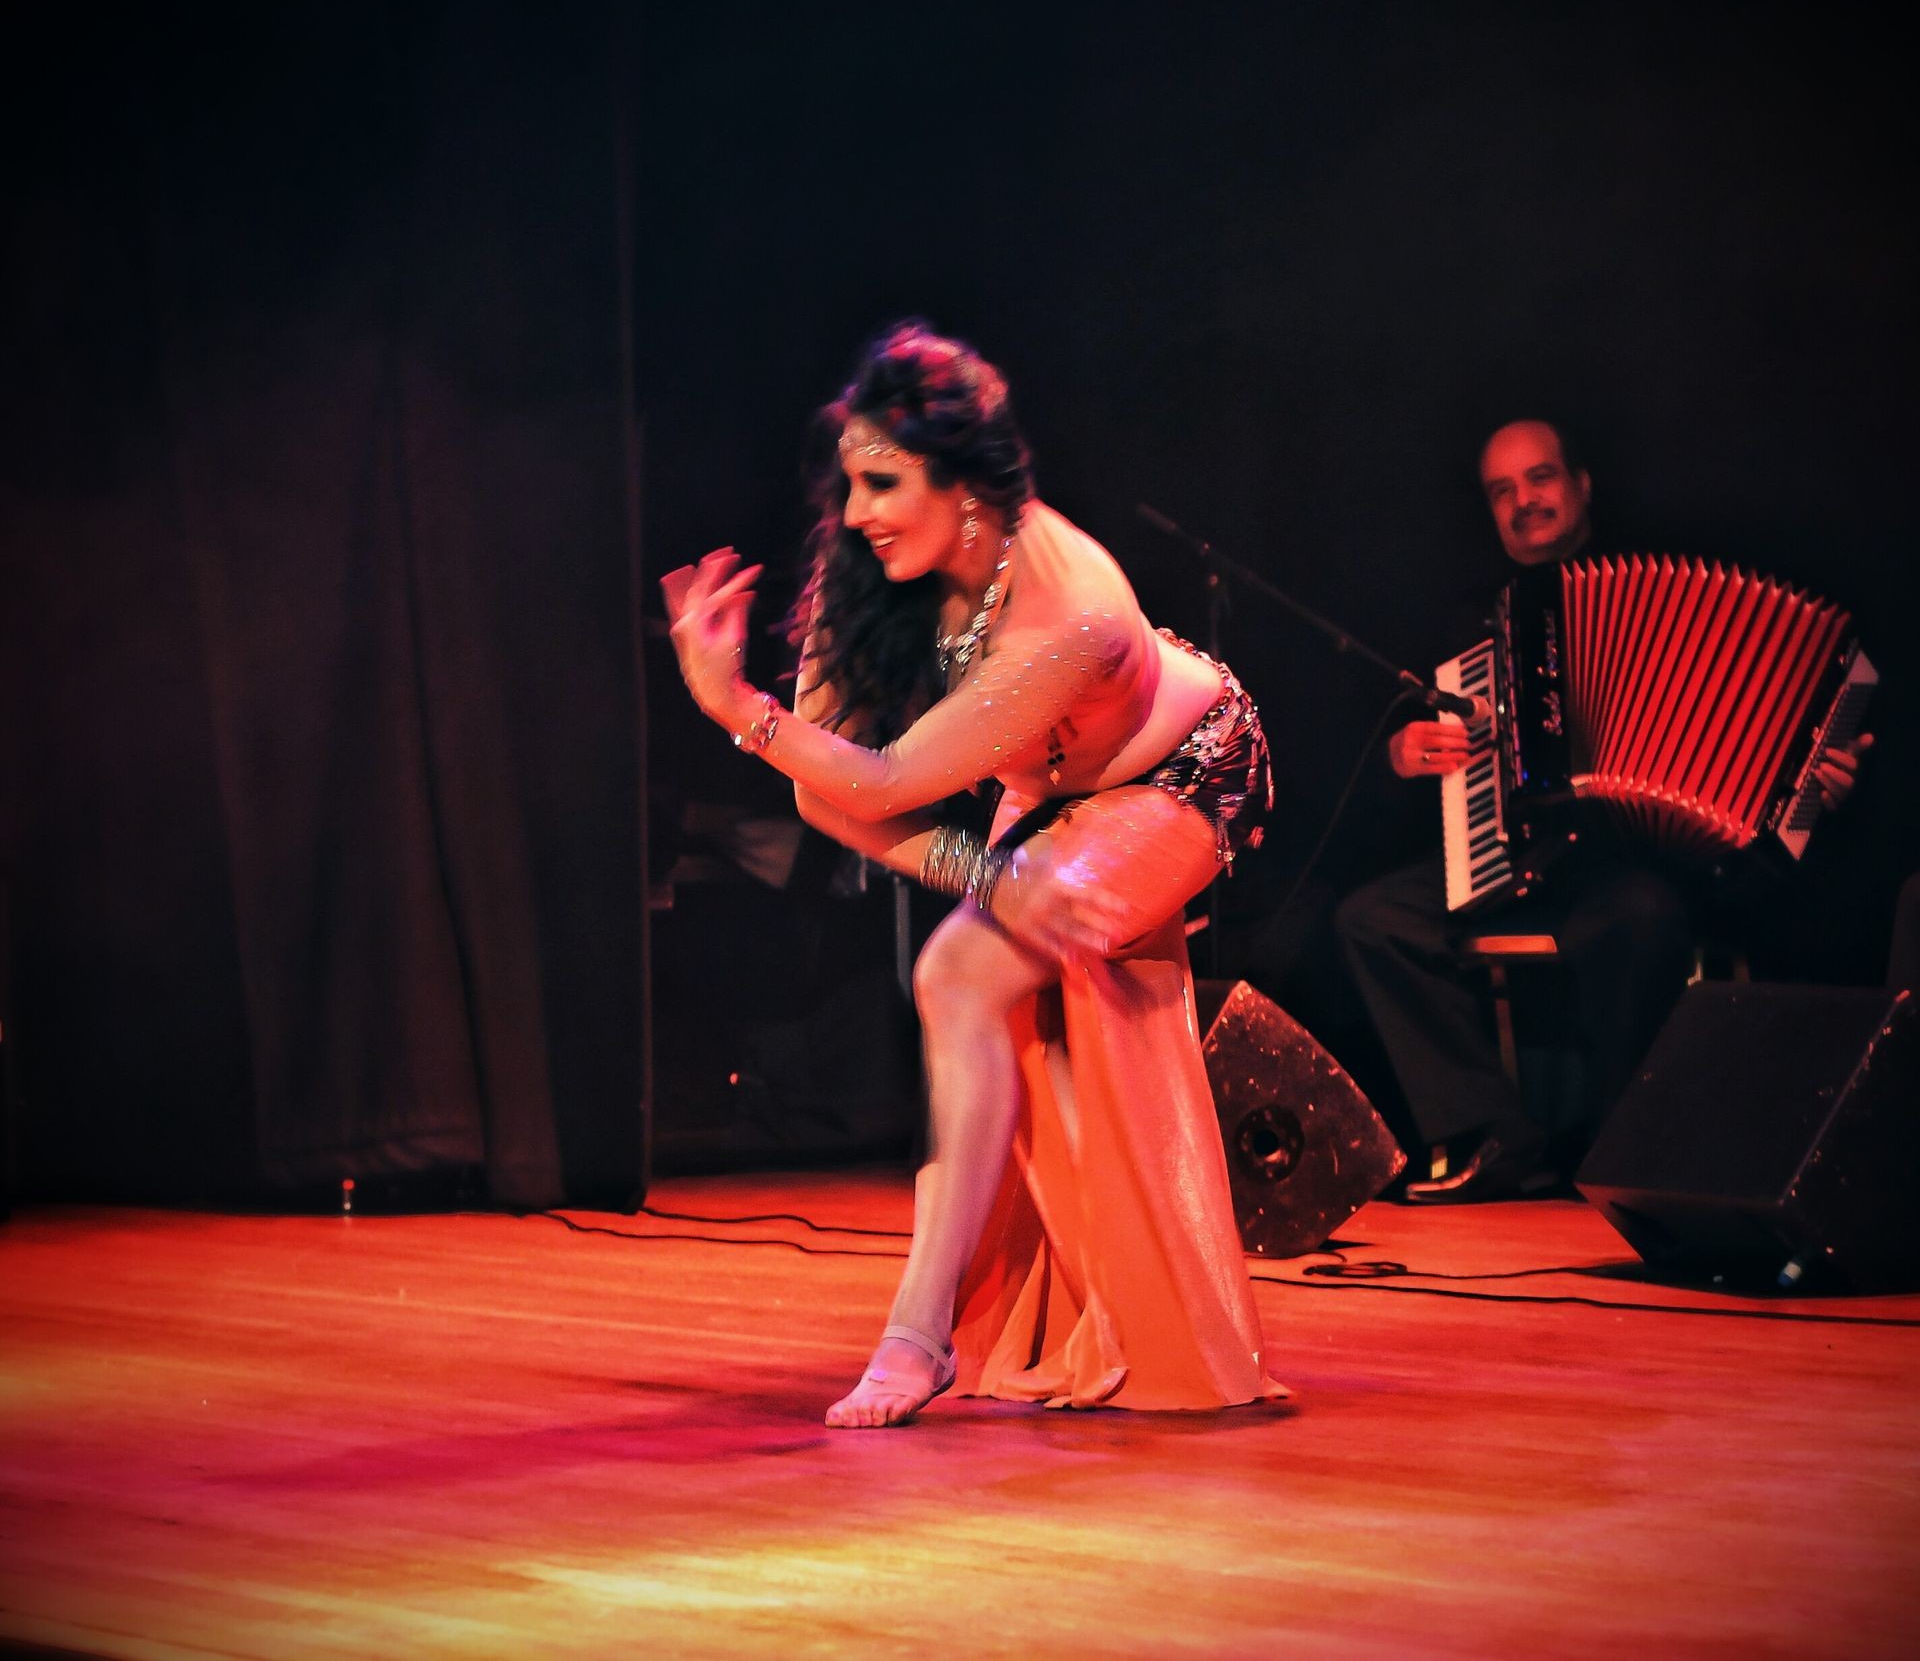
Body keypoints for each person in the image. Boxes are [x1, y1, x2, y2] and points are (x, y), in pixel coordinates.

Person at [662, 322, 1283, 1426]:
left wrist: (734, 710)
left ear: (969, 489)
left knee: (956, 977)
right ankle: (936, 1330)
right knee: (972, 974)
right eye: (853, 484)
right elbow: (825, 793)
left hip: (1182, 780)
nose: (855, 512)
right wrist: (996, 882)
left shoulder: (1072, 612)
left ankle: (918, 1334)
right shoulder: (875, 568)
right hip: (1045, 797)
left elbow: (889, 775)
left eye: (884, 483)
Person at [1336, 419, 1871, 1203]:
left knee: (1643, 913)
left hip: (1627, 864)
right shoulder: (1468, 627)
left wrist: (1821, 784)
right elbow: (1404, 807)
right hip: (1512, 853)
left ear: (1582, 485)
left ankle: (1634, 1147)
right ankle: (1496, 1135)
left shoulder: (1682, 599)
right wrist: (1399, 758)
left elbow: (1775, 726)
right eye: (1502, 491)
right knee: (1371, 919)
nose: (1524, 501)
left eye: (1540, 478)